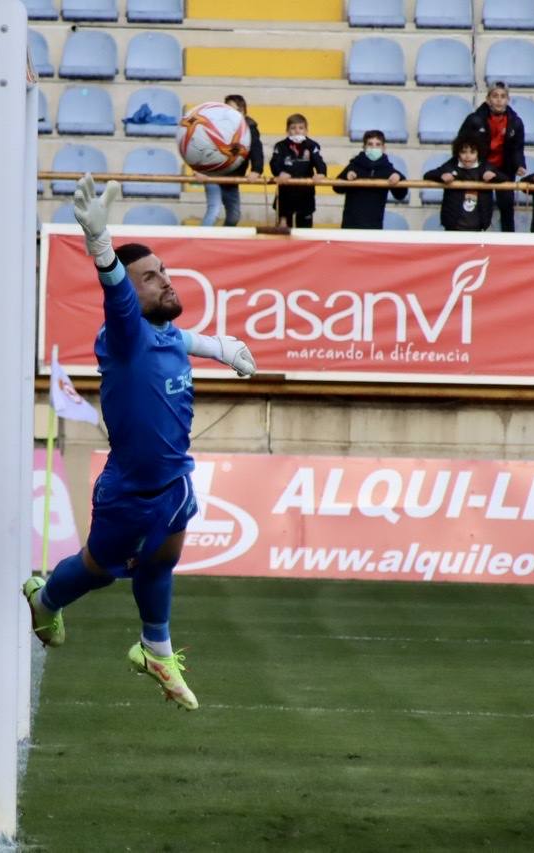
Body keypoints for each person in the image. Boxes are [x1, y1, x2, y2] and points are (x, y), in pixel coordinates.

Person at [21, 174, 258, 711]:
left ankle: (155, 648)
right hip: (129, 489)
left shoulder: (167, 333)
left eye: (164, 271)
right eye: (149, 278)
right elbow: (120, 298)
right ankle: (47, 597)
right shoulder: (126, 334)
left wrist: (219, 346)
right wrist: (100, 245)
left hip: (174, 479)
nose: (165, 282)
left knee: (163, 559)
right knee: (100, 569)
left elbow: (181, 336)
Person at [456, 81, 527, 231]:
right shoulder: (474, 119)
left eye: (503, 96)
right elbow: (461, 143)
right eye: (495, 96)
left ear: (508, 100)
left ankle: (509, 243)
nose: (499, 100)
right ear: (488, 99)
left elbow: (518, 148)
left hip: (505, 170)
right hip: (480, 169)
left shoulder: (516, 122)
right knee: (480, 207)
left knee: (507, 207)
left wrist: (520, 164)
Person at [202, 94, 264, 227]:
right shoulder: (216, 127)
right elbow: (202, 147)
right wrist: (198, 169)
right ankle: (199, 241)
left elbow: (256, 150)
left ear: (244, 112)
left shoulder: (250, 128)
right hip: (212, 175)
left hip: (232, 179)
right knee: (214, 210)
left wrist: (256, 169)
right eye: (229, 111)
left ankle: (221, 241)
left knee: (234, 216)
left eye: (238, 111)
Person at [333, 130, 407, 229]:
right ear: (364, 147)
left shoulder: (387, 169)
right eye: (370, 144)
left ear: (383, 148)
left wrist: (398, 178)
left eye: (378, 144)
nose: (374, 147)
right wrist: (346, 177)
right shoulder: (354, 166)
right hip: (350, 225)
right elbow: (336, 188)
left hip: (374, 226)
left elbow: (400, 195)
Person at [425, 136, 495, 231]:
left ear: (479, 153)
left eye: (472, 152)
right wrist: (441, 176)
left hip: (478, 226)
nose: (467, 156)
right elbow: (428, 175)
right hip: (453, 226)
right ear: (457, 153)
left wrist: (494, 176)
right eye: (463, 152)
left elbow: (504, 178)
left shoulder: (485, 166)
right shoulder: (451, 165)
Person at [270, 113, 327, 228]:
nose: (297, 131)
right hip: (285, 193)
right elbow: (274, 163)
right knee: (283, 229)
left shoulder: (312, 145)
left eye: (301, 128)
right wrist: (279, 172)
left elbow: (319, 161)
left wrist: (321, 173)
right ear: (287, 130)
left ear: (306, 131)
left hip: (305, 193)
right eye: (293, 128)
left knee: (305, 229)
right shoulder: (280, 146)